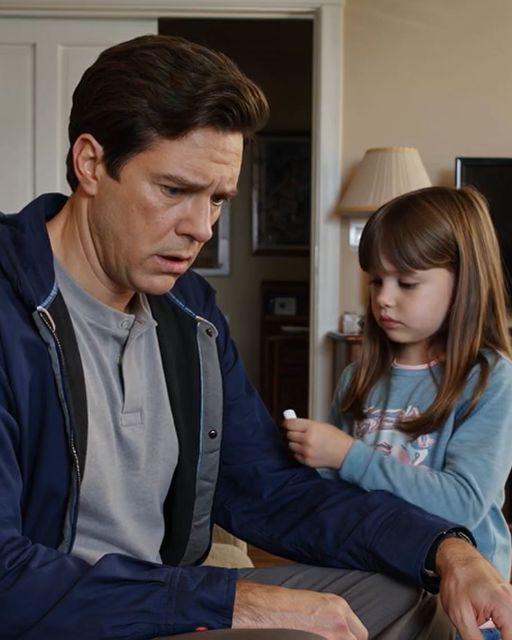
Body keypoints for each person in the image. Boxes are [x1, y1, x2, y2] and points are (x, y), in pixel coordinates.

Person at [0, 34, 511, 640]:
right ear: (91, 162)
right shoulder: (10, 305)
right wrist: (227, 602)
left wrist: (446, 549)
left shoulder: (189, 312)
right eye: (174, 190)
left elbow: (268, 489)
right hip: (66, 619)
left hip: (169, 603)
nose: (201, 228)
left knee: (411, 596)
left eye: (218, 199)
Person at [282, 186, 512, 639]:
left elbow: (463, 504)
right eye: (376, 281)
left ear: (463, 283)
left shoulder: (489, 379)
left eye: (406, 283)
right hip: (374, 582)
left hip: (463, 601)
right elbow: (337, 495)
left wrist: (348, 455)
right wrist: (312, 461)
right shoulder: (358, 377)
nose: (384, 298)